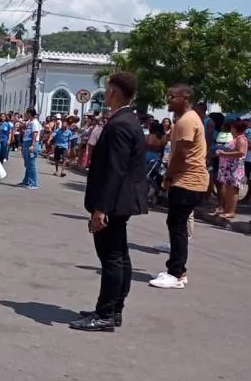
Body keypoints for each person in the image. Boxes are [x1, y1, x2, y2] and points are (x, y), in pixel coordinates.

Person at [71, 72, 147, 331]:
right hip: (120, 200)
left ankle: (105, 313)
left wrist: (100, 209)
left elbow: (115, 170)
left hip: (112, 202)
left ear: (113, 92)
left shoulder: (120, 124)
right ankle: (113, 309)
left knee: (112, 258)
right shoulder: (126, 120)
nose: (105, 94)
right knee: (120, 256)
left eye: (107, 89)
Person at [150, 84, 208, 289]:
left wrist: (168, 176)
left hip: (187, 180)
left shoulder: (186, 121)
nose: (168, 99)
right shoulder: (185, 120)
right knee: (176, 225)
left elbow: (181, 155)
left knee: (177, 227)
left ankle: (176, 273)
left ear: (185, 97)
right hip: (188, 180)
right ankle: (177, 270)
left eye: (171, 96)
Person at [20, 107, 42, 188]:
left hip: (31, 144)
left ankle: (33, 183)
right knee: (27, 164)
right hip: (26, 143)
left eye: (26, 112)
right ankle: (26, 181)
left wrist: (32, 145)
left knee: (32, 164)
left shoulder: (35, 123)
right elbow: (23, 125)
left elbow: (35, 133)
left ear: (30, 113)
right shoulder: (30, 122)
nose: (25, 114)